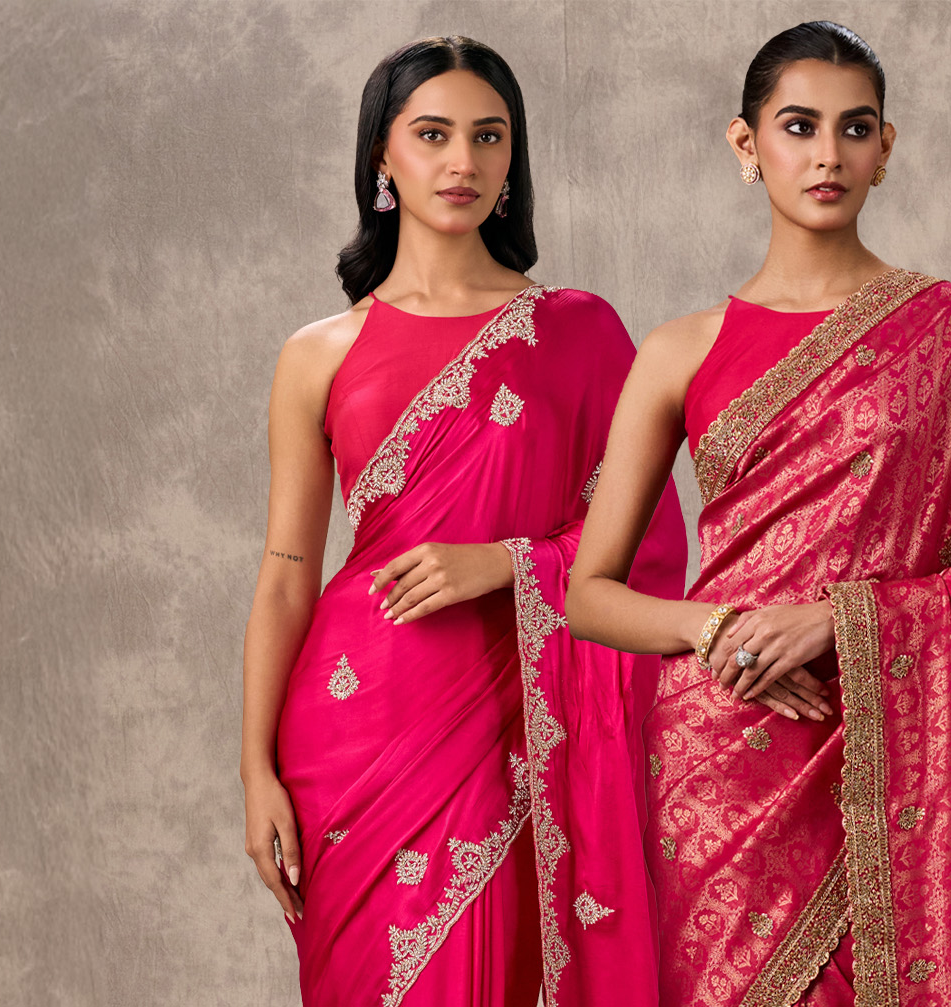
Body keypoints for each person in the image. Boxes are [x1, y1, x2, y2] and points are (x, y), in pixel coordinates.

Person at [566, 21, 951, 1006]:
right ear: (745, 144)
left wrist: (839, 622)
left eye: (854, 129)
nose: (827, 153)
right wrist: (717, 629)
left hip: (886, 744)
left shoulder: (949, 327)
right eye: (798, 126)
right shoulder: (680, 348)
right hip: (723, 749)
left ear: (885, 149)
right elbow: (591, 592)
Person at [238, 35, 685, 1005]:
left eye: (489, 137)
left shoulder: (578, 330)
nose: (463, 162)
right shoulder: (317, 354)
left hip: (510, 728)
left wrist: (509, 563)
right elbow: (284, 574)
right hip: (350, 735)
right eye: (432, 134)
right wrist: (253, 770)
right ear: (380, 159)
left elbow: (646, 546)